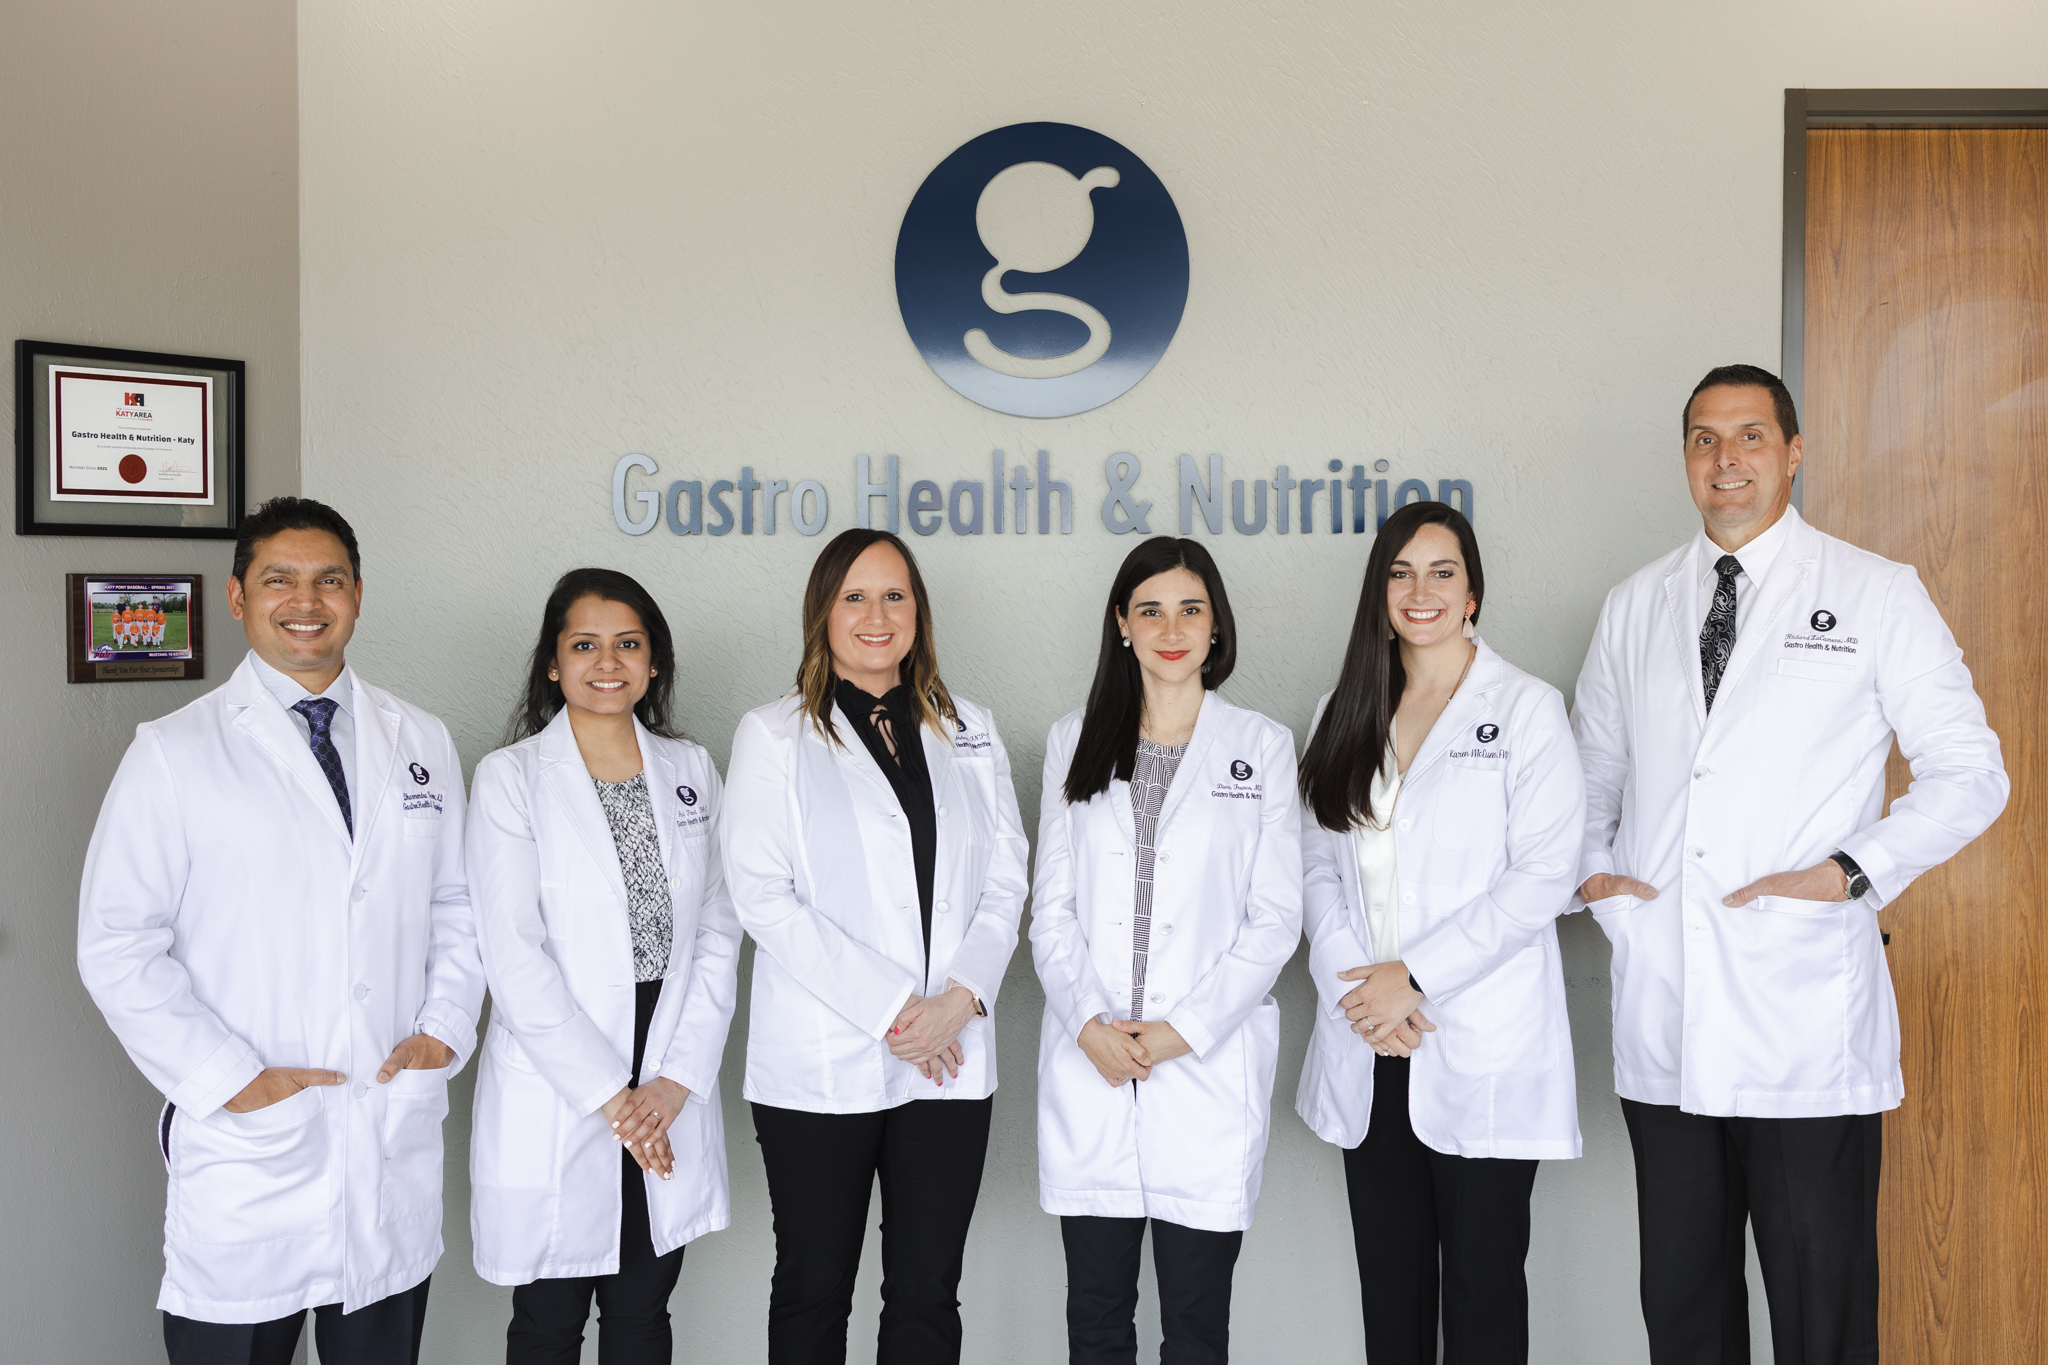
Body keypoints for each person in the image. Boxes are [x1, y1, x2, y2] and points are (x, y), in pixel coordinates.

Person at [1572, 365, 2008, 1365]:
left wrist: (1851, 871)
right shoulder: (1635, 604)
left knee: (1820, 1315)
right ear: (1684, 458)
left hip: (1800, 1024)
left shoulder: (1871, 591)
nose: (1725, 459)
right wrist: (1600, 883)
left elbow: (1967, 773)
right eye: (1702, 439)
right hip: (1668, 1008)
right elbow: (1589, 768)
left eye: (1749, 437)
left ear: (1792, 452)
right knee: (1681, 1312)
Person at [77, 496, 483, 1365]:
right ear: (237, 598)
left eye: (329, 579)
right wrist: (230, 1079)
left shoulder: (422, 739)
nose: (308, 600)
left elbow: (457, 905)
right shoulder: (174, 752)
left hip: (385, 1127)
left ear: (359, 595)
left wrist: (443, 1033)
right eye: (279, 580)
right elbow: (117, 942)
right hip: (250, 1148)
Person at [720, 528, 1029, 1365]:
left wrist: (958, 1000)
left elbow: (1007, 880)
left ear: (919, 610)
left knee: (927, 1291)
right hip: (824, 1062)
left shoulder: (970, 728)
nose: (876, 613)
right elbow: (762, 895)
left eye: (895, 594)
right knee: (815, 1286)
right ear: (822, 611)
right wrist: (899, 1009)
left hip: (951, 1054)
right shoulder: (773, 734)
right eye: (854, 595)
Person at [1294, 502, 1585, 1364]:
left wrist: (1413, 978)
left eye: (1442, 571)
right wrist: (1362, 987)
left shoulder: (1527, 708)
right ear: (1379, 590)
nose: (1420, 591)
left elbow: (1542, 875)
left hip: (1477, 1043)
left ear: (1473, 593)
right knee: (1392, 1302)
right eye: (1399, 572)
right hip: (1371, 1040)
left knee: (1485, 1297)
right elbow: (1314, 869)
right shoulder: (1339, 709)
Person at [1030, 535, 1304, 1365]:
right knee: (1097, 1320)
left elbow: (1276, 918)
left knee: (1194, 1328)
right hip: (1095, 1057)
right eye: (1150, 609)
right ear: (1122, 623)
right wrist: (1088, 1024)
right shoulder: (1074, 738)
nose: (1171, 627)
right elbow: (1052, 911)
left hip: (1203, 1066)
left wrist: (1179, 1031)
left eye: (1190, 608)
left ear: (1216, 626)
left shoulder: (1260, 745)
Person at [466, 568, 744, 1364]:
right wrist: (615, 1101)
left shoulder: (691, 769)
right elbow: (514, 954)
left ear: (653, 662)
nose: (607, 661)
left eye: (628, 643)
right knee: (550, 1320)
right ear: (553, 663)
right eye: (583, 643)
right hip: (566, 1073)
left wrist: (675, 1080)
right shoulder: (511, 778)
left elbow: (720, 930)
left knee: (642, 1312)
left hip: (666, 1058)